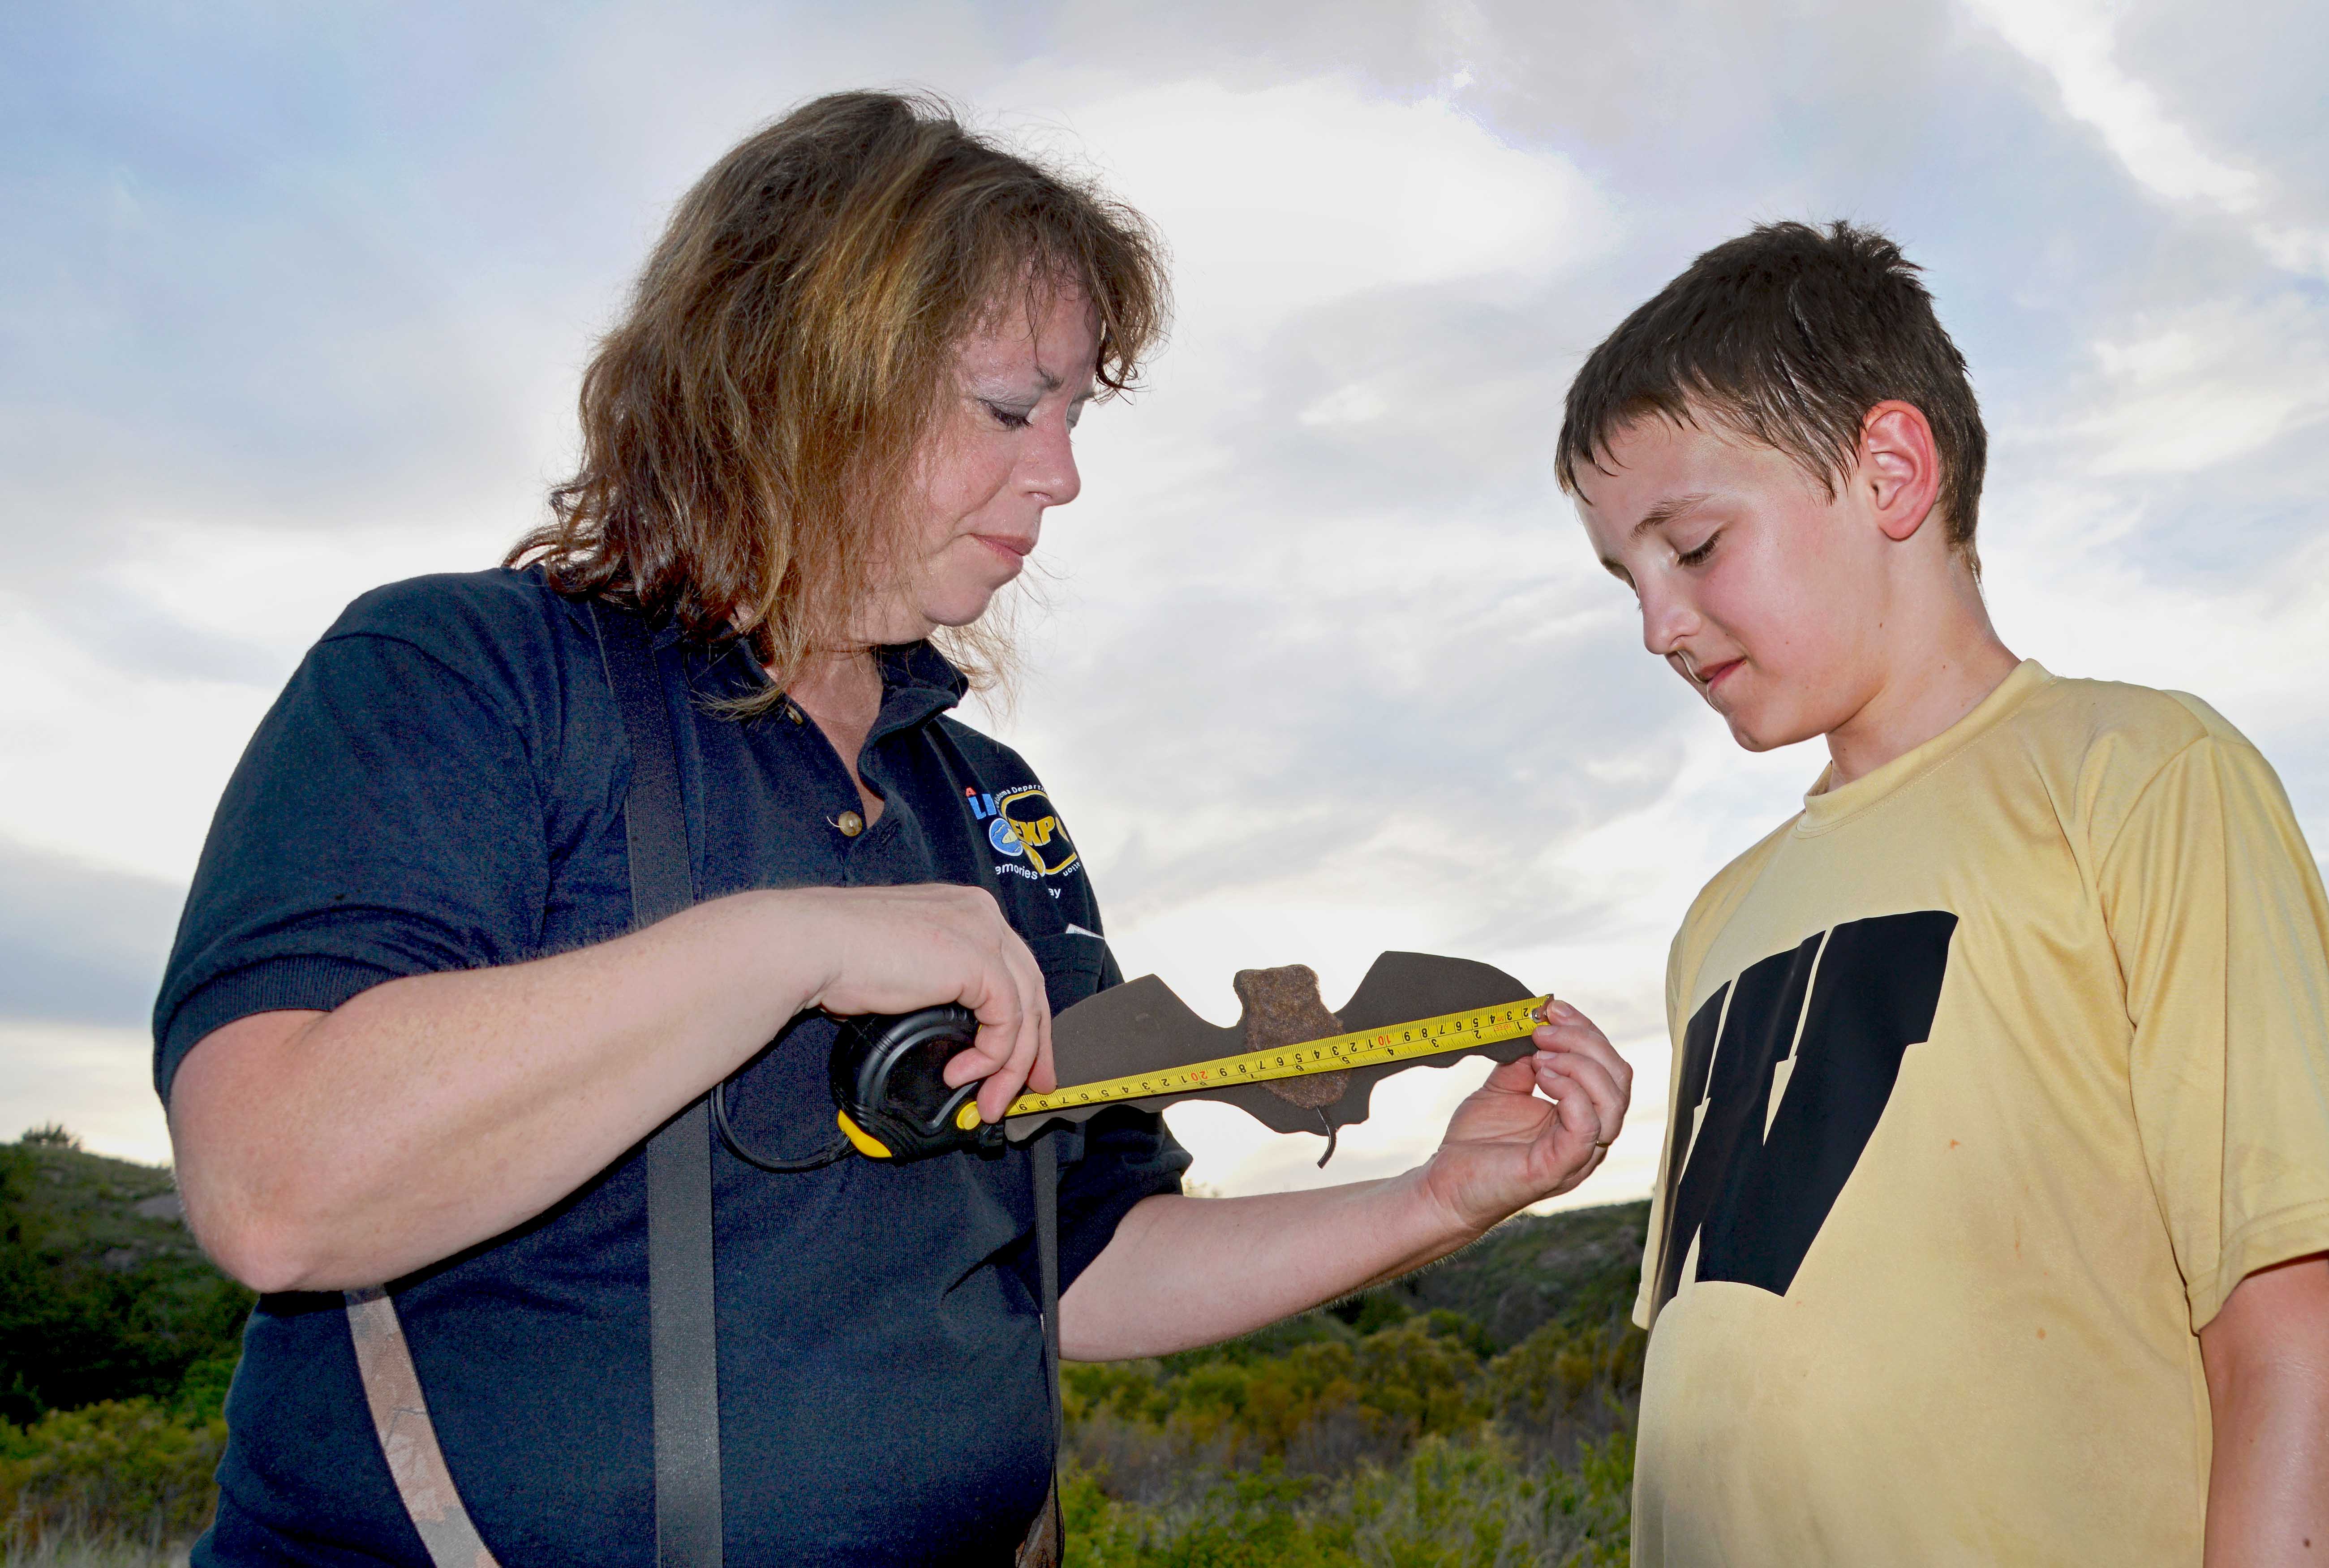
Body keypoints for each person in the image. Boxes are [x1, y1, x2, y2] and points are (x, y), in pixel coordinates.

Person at [153, 90, 1632, 1567]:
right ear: (799, 374)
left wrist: (1440, 1201)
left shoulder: (986, 803)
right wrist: (782, 948)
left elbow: (1083, 1266)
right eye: (1008, 408)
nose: (1060, 474)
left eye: (1070, 415)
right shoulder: (466, 678)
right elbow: (277, 1187)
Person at [1557, 221, 2329, 1565]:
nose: (1657, 624)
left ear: (1890, 472)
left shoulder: (2140, 778)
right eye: (1624, 579)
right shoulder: (1720, 916)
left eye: (1693, 548)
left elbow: (2289, 1328)